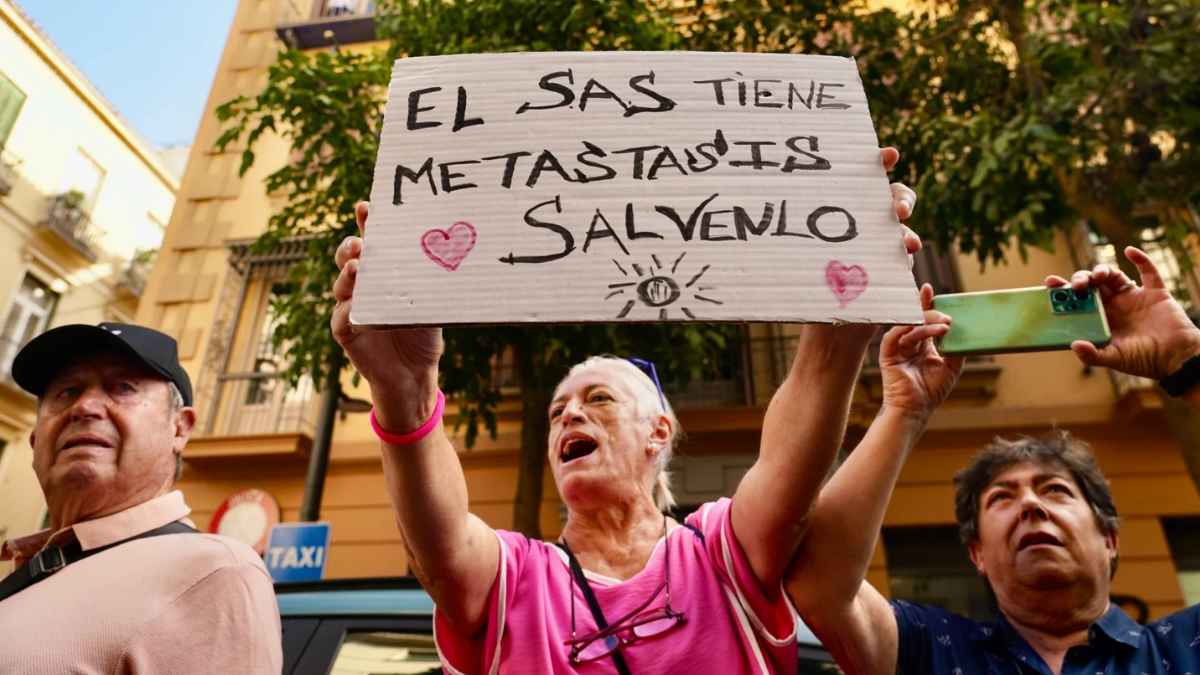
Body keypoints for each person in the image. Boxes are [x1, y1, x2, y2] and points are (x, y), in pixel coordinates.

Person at [332, 151, 919, 673]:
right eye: (558, 411)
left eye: (599, 399)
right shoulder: (515, 576)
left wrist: (844, 319)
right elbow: (440, 552)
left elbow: (790, 470)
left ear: (657, 431)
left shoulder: (720, 550)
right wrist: (406, 393)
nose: (568, 417)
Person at [785, 246, 1200, 675]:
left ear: (1110, 539)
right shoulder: (930, 649)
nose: (1030, 506)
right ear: (977, 553)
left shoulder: (1185, 647)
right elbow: (818, 583)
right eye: (1002, 498)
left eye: (1055, 490)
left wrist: (1184, 362)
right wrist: (904, 410)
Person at [0, 323, 282, 674]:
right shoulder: (35, 571)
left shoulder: (213, 572)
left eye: (122, 388)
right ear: (34, 440)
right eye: (67, 392)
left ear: (179, 428)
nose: (84, 407)